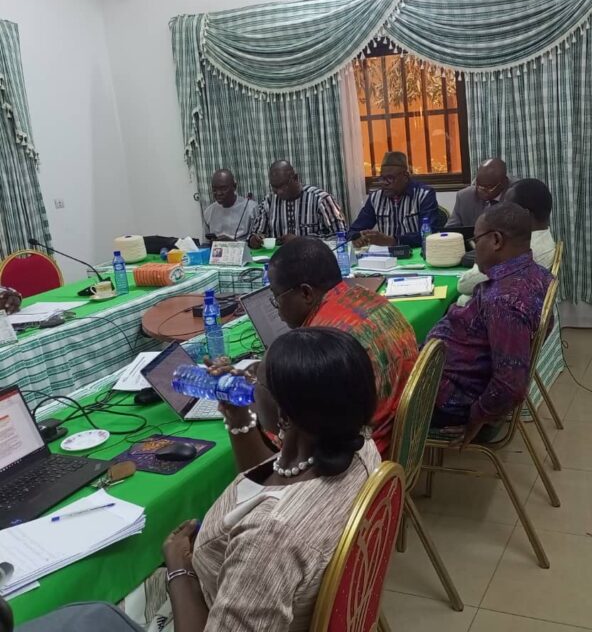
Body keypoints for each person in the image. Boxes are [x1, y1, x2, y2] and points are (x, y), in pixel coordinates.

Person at [16, 328, 380, 632]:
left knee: (88, 615)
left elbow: (264, 553)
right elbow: (273, 470)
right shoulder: (358, 447)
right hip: (261, 591)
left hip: (209, 596)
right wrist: (239, 415)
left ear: (286, 414)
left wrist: (179, 568)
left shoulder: (270, 537)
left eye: (258, 378)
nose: (246, 379)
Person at [265, 237, 417, 454]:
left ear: (306, 293)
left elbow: (297, 442)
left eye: (276, 298)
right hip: (402, 438)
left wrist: (252, 407)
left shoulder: (324, 347)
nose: (277, 309)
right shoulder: (370, 298)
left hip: (367, 459)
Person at [428, 203, 552, 447]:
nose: (475, 249)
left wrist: (477, 417)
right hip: (457, 378)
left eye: (476, 240)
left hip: (450, 401)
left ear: (496, 240)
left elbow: (510, 384)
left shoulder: (504, 301)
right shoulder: (536, 273)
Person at [456, 177, 556, 306]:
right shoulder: (540, 237)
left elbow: (464, 285)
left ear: (525, 214)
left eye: (508, 207)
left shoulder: (525, 250)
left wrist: (482, 256)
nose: (503, 211)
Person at [349, 151, 440, 248]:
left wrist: (394, 241)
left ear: (405, 177)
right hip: (386, 258)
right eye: (382, 178)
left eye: (390, 178)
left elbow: (429, 235)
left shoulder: (424, 195)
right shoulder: (376, 198)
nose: (384, 183)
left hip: (417, 254)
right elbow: (353, 231)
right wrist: (358, 237)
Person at [250, 160, 346, 246]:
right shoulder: (269, 202)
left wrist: (302, 241)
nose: (279, 191)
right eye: (274, 187)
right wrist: (254, 239)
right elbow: (257, 233)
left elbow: (342, 237)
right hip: (279, 259)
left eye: (282, 186)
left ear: (295, 178)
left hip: (314, 258)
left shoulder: (321, 199)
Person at [446, 158, 515, 228]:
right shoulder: (464, 196)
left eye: (488, 187)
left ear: (503, 183)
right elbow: (451, 229)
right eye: (478, 184)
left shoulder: (518, 195)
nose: (480, 190)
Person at [202, 169, 259, 245]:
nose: (218, 193)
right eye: (214, 189)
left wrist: (232, 243)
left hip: (246, 254)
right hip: (217, 254)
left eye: (223, 188)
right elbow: (205, 244)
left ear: (234, 187)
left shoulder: (251, 208)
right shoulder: (209, 212)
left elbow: (257, 243)